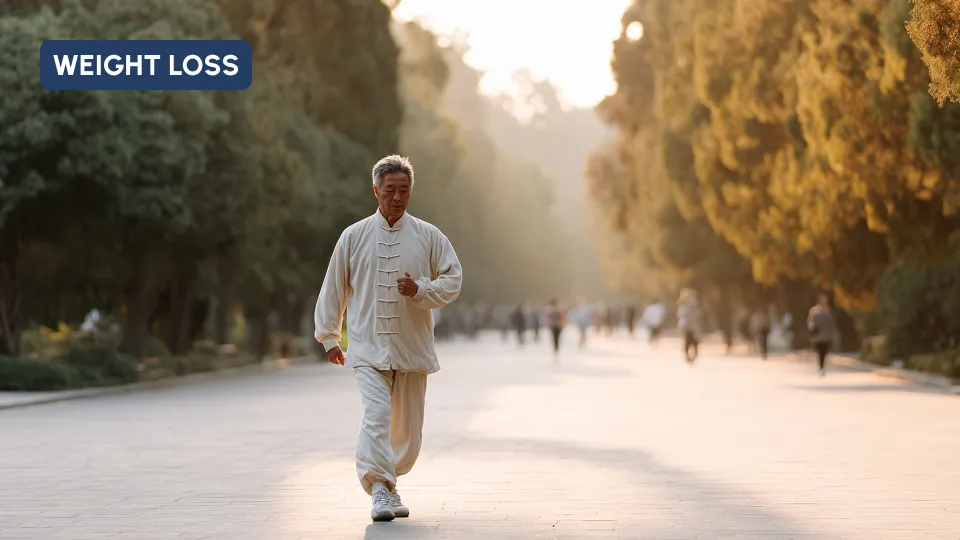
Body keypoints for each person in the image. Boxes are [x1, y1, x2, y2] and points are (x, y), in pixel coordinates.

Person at [313, 155, 463, 522]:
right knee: (376, 416)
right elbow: (334, 288)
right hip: (366, 347)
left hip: (412, 349)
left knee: (408, 434)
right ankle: (379, 489)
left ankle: (391, 483)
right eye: (390, 190)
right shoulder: (353, 236)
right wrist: (330, 337)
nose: (396, 197)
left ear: (412, 191)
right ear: (376, 190)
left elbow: (453, 279)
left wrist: (421, 289)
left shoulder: (430, 236)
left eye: (404, 190)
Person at [807, 294, 836, 377]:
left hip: (827, 335)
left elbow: (832, 324)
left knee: (824, 352)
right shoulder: (814, 310)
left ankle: (822, 367)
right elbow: (810, 322)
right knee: (820, 352)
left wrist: (833, 335)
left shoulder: (829, 310)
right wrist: (812, 329)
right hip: (818, 336)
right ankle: (821, 367)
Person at [677, 289, 701, 363]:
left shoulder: (692, 304)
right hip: (688, 326)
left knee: (692, 341)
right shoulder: (684, 305)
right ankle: (690, 356)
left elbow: (697, 315)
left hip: (691, 326)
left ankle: (692, 355)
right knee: (690, 342)